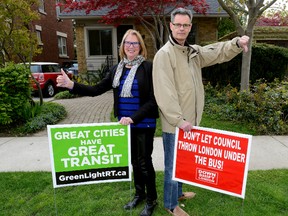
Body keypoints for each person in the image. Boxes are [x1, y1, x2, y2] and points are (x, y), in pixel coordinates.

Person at [152, 7, 250, 216]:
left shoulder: (192, 52)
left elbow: (214, 52)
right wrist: (179, 121)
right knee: (172, 166)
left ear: (190, 27)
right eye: (177, 24)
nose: (181, 28)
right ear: (171, 26)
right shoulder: (165, 55)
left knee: (182, 162)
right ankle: (170, 205)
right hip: (176, 124)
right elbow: (164, 92)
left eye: (185, 25)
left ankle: (177, 194)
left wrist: (235, 43)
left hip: (191, 122)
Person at [56, 29, 158, 216]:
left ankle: (152, 200)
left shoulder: (148, 68)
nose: (131, 47)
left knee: (144, 162)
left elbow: (153, 101)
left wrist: (133, 118)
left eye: (135, 43)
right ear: (122, 46)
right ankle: (139, 195)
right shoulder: (116, 69)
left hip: (144, 123)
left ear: (140, 47)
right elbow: (96, 90)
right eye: (128, 43)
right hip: (124, 125)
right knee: (134, 161)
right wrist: (71, 85)